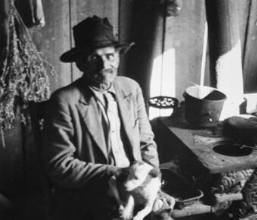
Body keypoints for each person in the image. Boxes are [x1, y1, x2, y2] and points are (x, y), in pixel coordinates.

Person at [42, 16, 174, 220]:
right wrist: (116, 172)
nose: (105, 64)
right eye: (94, 58)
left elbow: (147, 143)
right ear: (80, 64)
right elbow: (60, 165)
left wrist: (153, 184)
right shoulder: (64, 101)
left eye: (110, 56)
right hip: (93, 193)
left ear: (119, 56)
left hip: (136, 186)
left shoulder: (131, 89)